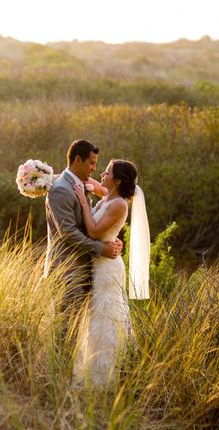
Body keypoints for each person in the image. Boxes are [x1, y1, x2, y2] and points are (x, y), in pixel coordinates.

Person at [72, 159, 150, 387]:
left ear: (116, 180)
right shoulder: (107, 196)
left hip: (108, 267)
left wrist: (84, 205)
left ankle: (104, 377)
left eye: (107, 172)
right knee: (94, 317)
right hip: (99, 263)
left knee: (105, 318)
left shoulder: (119, 205)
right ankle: (90, 370)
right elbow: (90, 182)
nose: (102, 174)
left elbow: (95, 232)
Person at [44, 140, 123, 349]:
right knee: (65, 330)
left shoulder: (79, 184)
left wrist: (110, 238)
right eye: (91, 163)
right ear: (77, 160)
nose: (94, 169)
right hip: (67, 269)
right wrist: (101, 248)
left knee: (80, 332)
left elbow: (96, 220)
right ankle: (58, 377)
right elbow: (68, 233)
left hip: (87, 269)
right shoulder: (61, 189)